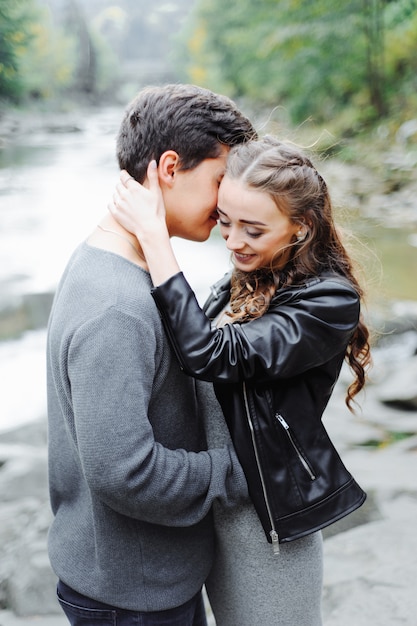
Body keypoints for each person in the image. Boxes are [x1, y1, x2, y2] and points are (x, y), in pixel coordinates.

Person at [109, 135, 372, 626]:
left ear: (301, 227)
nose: (232, 242)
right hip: (208, 505)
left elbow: (211, 354)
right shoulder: (242, 280)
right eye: (224, 222)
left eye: (253, 229)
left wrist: (156, 240)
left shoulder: (329, 302)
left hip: (264, 525)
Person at [46, 83, 257, 626]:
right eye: (219, 180)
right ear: (169, 168)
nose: (227, 202)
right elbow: (125, 471)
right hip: (132, 597)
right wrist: (232, 472)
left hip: (142, 580)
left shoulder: (125, 265)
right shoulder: (116, 306)